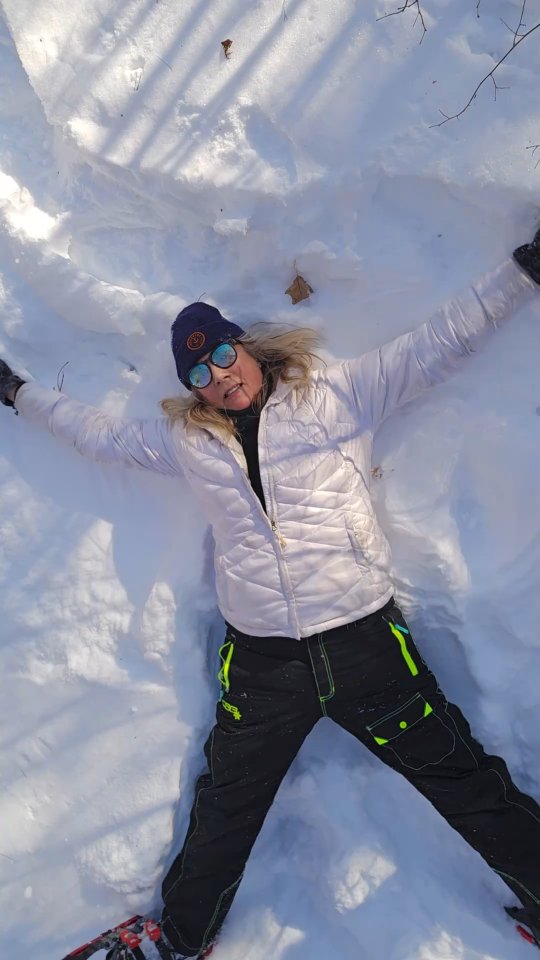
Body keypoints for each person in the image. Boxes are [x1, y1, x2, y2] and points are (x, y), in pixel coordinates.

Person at [2, 231, 540, 960]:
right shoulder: (189, 446)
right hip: (261, 666)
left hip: (365, 647)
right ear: (192, 388)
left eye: (224, 354)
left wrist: (522, 274)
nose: (220, 376)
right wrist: (17, 391)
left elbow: (437, 342)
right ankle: (180, 938)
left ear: (247, 348)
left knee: (461, 776)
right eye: (200, 371)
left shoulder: (337, 396)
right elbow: (96, 435)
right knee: (226, 804)